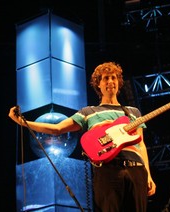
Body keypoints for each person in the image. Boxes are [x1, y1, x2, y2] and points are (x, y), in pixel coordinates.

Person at [8, 61, 156, 212]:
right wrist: (23, 122)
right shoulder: (88, 112)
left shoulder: (133, 112)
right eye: (106, 78)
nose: (110, 81)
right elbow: (57, 128)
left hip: (136, 170)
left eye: (114, 78)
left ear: (118, 82)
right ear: (98, 84)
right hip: (108, 171)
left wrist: (148, 175)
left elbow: (141, 145)